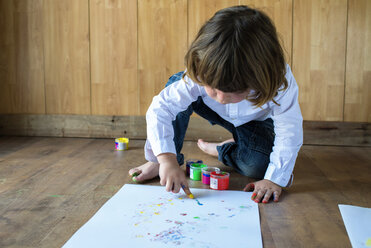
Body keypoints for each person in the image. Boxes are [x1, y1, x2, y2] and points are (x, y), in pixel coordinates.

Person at [129, 5, 303, 204]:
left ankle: (224, 149)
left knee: (258, 166)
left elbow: (289, 130)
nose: (220, 97)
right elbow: (161, 109)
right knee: (175, 85)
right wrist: (165, 159)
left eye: (234, 91)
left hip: (254, 123)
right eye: (213, 87)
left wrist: (273, 179)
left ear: (260, 78)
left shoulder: (280, 81)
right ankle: (161, 160)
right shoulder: (204, 70)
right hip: (206, 107)